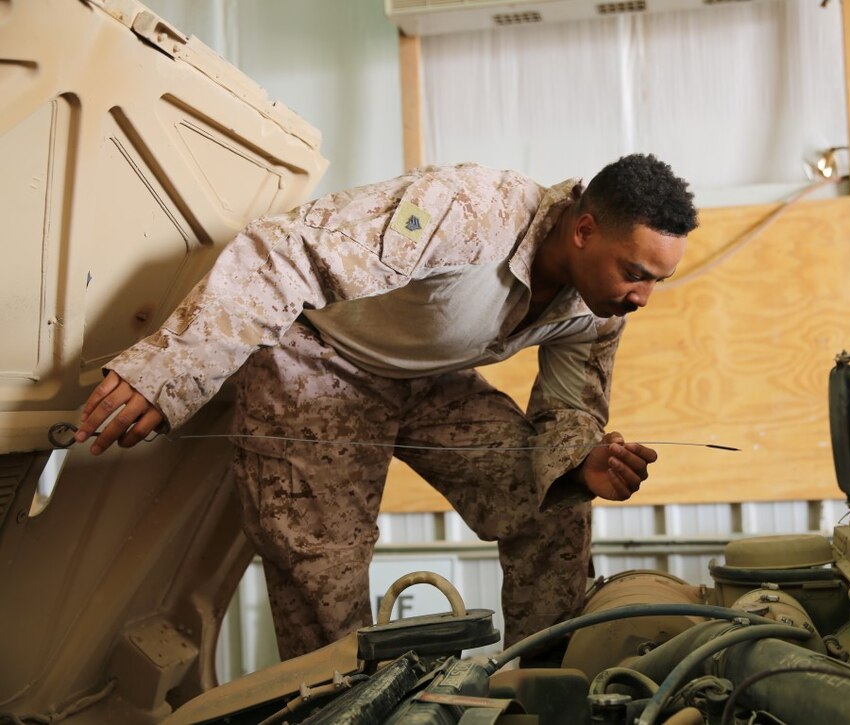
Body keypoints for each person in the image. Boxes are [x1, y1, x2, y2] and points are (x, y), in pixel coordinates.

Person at [75, 154, 698, 660]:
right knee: (325, 573)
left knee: (551, 503)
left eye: (656, 281)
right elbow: (284, 251)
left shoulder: (601, 306)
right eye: (634, 272)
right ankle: (340, 708)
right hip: (319, 362)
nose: (642, 297)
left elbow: (569, 410)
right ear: (584, 229)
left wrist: (580, 461)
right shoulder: (473, 211)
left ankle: (541, 685)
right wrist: (170, 370)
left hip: (428, 381)